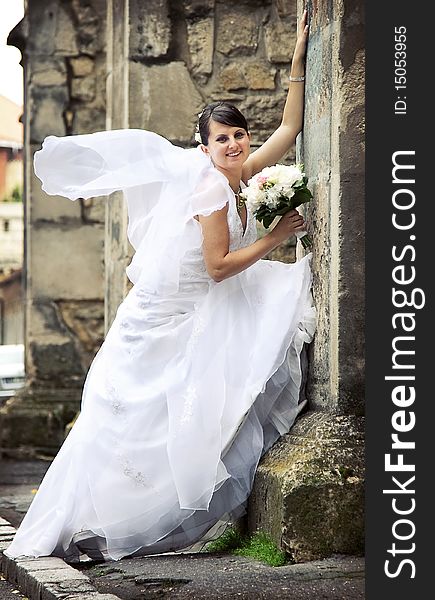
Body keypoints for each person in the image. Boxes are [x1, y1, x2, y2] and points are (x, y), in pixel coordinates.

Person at [5, 10, 315, 563]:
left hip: (195, 305)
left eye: (240, 134)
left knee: (169, 412)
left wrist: (296, 61)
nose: (236, 144)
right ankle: (91, 522)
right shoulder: (212, 191)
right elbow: (219, 266)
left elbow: (289, 131)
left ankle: (106, 518)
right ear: (204, 146)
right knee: (131, 418)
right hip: (167, 314)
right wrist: (276, 238)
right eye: (223, 138)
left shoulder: (241, 176)